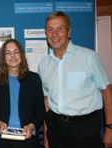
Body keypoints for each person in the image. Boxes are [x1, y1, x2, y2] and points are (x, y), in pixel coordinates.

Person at [38, 11, 112, 148]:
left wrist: (110, 128)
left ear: (69, 32)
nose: (55, 34)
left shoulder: (89, 57)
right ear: (46, 33)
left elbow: (108, 93)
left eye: (60, 29)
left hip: (84, 128)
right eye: (50, 29)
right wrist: (47, 134)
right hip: (56, 128)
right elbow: (47, 102)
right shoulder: (44, 65)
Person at [0, 39, 46, 148]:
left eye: (16, 52)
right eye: (8, 53)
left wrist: (32, 126)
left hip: (28, 139)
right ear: (3, 58)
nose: (13, 56)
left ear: (22, 55)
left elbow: (40, 111)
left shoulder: (34, 79)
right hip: (4, 140)